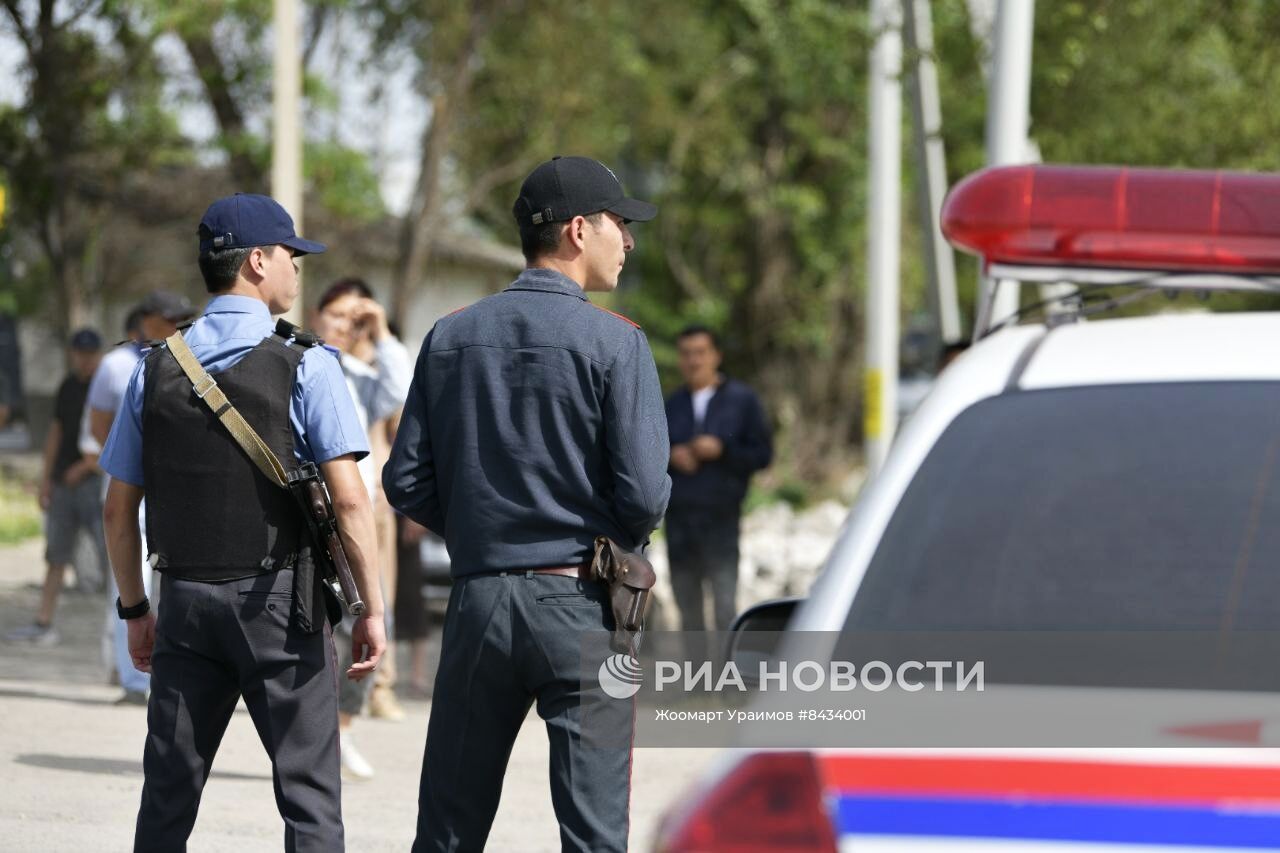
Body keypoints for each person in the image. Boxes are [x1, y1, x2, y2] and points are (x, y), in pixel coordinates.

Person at [384, 155, 671, 853]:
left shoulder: (449, 334)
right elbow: (644, 493)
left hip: (479, 599)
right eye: (619, 224)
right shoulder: (618, 341)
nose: (628, 241)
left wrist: (484, 528)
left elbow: (405, 480)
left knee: (448, 829)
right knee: (595, 834)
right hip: (581, 603)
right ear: (578, 229)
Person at [98, 193, 387, 851]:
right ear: (257, 261)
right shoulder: (307, 361)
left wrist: (136, 608)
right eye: (291, 256)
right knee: (310, 800)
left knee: (167, 797)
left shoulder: (156, 365)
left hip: (186, 601)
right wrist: (369, 606)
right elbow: (349, 501)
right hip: (281, 606)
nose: (296, 270)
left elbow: (118, 506)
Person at [311, 276, 412, 779]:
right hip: (312, 513)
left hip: (361, 512)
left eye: (355, 319)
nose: (344, 326)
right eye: (336, 314)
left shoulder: (358, 374)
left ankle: (343, 730)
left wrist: (382, 331)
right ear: (316, 315)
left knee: (368, 622)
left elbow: (402, 388)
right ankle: (309, 736)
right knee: (314, 627)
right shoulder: (298, 365)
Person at [83, 292, 195, 704]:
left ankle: (173, 673)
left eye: (184, 317)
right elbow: (97, 425)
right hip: (129, 485)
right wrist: (130, 460)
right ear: (146, 319)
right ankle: (134, 681)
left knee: (178, 586)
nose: (177, 324)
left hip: (173, 489)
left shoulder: (192, 356)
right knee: (130, 585)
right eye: (170, 318)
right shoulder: (116, 364)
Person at [664, 325, 772, 632]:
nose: (694, 361)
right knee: (688, 611)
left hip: (721, 518)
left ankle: (726, 677)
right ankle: (697, 679)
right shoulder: (671, 403)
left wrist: (723, 450)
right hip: (680, 519)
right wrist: (672, 456)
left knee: (725, 607)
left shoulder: (742, 400)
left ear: (716, 356)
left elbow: (762, 455)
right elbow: (647, 454)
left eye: (700, 353)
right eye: (686, 354)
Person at [7, 328, 106, 646]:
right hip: (64, 482)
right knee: (56, 556)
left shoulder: (105, 386)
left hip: (95, 482)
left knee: (111, 557)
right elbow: (55, 433)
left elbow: (116, 436)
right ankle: (43, 620)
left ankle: (116, 628)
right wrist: (45, 480)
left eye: (91, 353)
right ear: (72, 353)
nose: (85, 359)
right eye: (80, 352)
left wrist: (88, 465)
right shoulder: (67, 385)